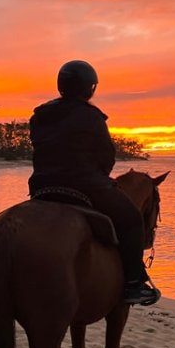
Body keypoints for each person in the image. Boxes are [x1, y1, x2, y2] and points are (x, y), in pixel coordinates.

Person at [28, 59, 160, 306]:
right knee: (131, 218)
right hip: (84, 186)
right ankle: (133, 284)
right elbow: (105, 158)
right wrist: (99, 176)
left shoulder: (40, 116)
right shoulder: (91, 117)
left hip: (41, 186)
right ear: (90, 88)